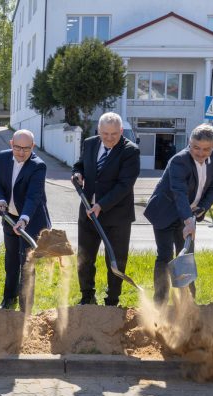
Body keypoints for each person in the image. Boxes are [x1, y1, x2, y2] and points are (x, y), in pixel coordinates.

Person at [144, 123, 213, 305]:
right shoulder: (179, 161)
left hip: (188, 214)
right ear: (189, 142)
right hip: (165, 212)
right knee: (165, 256)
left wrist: (201, 208)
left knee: (186, 256)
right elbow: (179, 192)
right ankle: (160, 304)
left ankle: (188, 304)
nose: (201, 153)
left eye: (206, 149)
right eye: (196, 147)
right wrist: (188, 220)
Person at [72, 112, 140, 306]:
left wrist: (101, 205)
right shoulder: (90, 143)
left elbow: (124, 185)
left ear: (121, 131)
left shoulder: (130, 151)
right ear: (98, 131)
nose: (109, 138)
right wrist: (77, 173)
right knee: (84, 258)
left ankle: (112, 300)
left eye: (114, 134)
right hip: (88, 213)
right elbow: (80, 164)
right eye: (105, 134)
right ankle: (87, 296)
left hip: (117, 216)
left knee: (116, 261)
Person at [0, 129, 51, 311]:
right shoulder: (3, 158)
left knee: (26, 264)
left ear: (33, 147)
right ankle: (9, 299)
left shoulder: (38, 166)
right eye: (17, 147)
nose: (21, 152)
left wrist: (24, 219)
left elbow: (33, 197)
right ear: (11, 144)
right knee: (11, 261)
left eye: (26, 148)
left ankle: (26, 308)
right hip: (9, 218)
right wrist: (1, 200)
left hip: (30, 221)